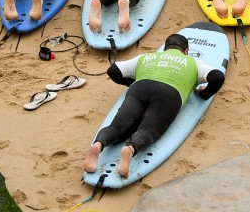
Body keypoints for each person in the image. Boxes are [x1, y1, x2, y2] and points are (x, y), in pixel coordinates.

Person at [82, 33, 224, 178]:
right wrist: (204, 94)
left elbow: (113, 70)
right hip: (169, 94)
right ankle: (130, 149)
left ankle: (98, 145)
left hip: (139, 89)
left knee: (118, 127)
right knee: (148, 130)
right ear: (186, 51)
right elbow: (217, 77)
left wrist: (132, 83)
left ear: (164, 49)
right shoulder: (194, 62)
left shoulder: (146, 57)